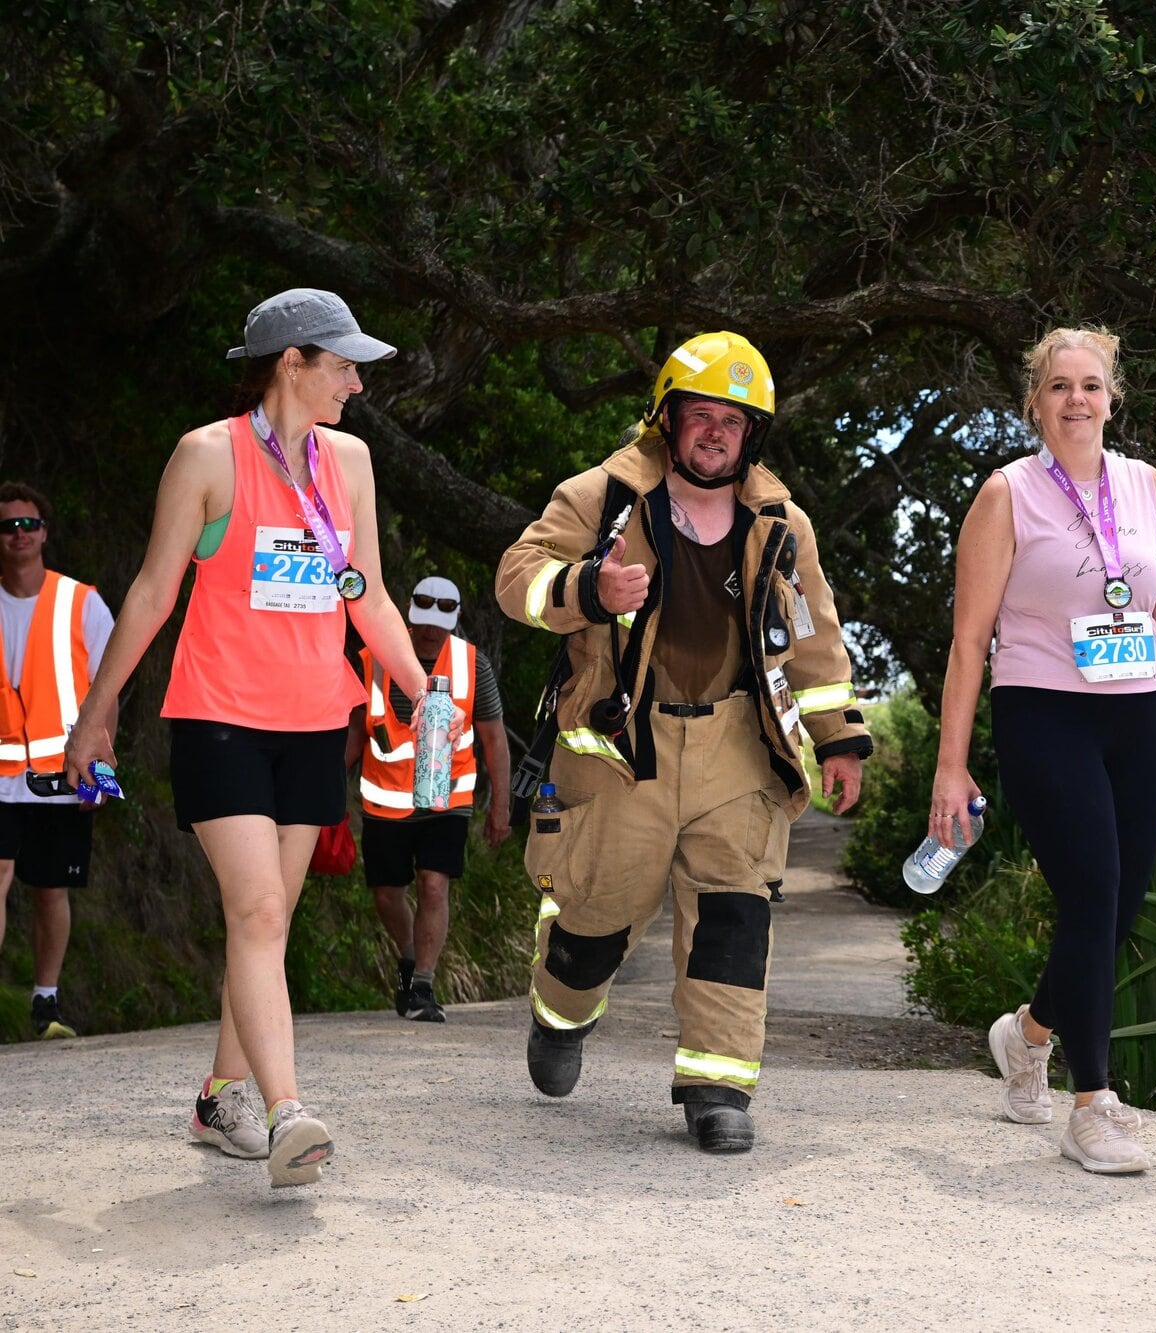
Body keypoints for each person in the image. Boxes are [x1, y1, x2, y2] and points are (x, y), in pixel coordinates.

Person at [62, 288, 454, 1187]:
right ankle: (288, 1113)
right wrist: (98, 709)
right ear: (292, 362)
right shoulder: (208, 455)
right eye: (344, 364)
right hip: (220, 717)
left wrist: (419, 685)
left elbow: (372, 596)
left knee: (264, 931)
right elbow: (155, 591)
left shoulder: (347, 462)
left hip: (316, 721)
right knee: (259, 913)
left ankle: (218, 1097)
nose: (356, 383)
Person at [496, 330, 872, 1153]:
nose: (714, 433)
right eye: (699, 416)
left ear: (753, 436)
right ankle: (561, 1009)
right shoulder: (600, 497)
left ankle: (718, 1088)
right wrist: (586, 588)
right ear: (666, 421)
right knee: (596, 917)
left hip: (739, 745)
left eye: (732, 423)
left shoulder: (782, 524)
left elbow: (814, 639)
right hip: (624, 744)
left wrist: (837, 738)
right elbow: (515, 578)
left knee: (734, 914)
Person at [928, 326, 1156, 1174]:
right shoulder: (1007, 494)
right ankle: (1092, 1103)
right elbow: (968, 642)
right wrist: (950, 766)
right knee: (1094, 886)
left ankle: (1028, 1035)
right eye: (1060, 385)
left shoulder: (1145, 486)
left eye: (1093, 385)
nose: (1078, 399)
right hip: (1043, 711)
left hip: (1138, 709)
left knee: (1118, 905)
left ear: (1113, 398)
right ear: (1034, 401)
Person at [347, 575, 510, 1023]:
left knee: (434, 884)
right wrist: (324, 793)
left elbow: (494, 740)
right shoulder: (373, 659)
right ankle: (407, 953)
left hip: (447, 800)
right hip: (384, 801)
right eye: (422, 620)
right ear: (408, 612)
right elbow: (356, 731)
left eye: (440, 621)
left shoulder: (472, 664)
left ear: (455, 619)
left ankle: (422, 984)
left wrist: (500, 808)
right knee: (386, 893)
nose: (430, 630)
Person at [0, 482, 115, 1040]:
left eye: (27, 524)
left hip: (58, 777)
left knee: (50, 888)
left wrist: (100, 775)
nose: (18, 534)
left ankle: (46, 1001)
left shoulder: (79, 600)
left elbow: (107, 692)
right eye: (7, 526)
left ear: (44, 531)